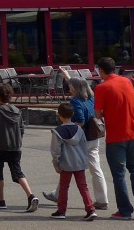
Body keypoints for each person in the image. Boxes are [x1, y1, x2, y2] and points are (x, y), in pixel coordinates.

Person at [44, 76, 109, 209]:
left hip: (81, 139)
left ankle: (58, 195)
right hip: (94, 136)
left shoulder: (75, 101)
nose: (69, 87)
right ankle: (102, 199)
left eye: (71, 85)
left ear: (76, 87)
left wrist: (70, 130)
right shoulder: (91, 98)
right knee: (96, 168)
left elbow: (80, 120)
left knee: (68, 164)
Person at [92, 56, 134, 220]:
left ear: (101, 70)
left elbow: (97, 115)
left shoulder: (102, 88)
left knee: (119, 174)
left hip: (115, 136)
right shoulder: (129, 81)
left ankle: (125, 210)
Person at [0, 83, 40, 212]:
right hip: (15, 146)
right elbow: (22, 129)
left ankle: (1, 199)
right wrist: (18, 141)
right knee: (17, 172)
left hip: (0, 146)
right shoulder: (16, 110)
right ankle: (30, 195)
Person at [47, 102, 97, 220]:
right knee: (83, 186)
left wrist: (56, 163)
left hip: (66, 163)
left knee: (64, 187)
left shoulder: (57, 131)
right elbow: (84, 145)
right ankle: (90, 209)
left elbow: (56, 150)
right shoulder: (79, 129)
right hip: (79, 162)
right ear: (72, 114)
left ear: (59, 115)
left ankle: (61, 211)